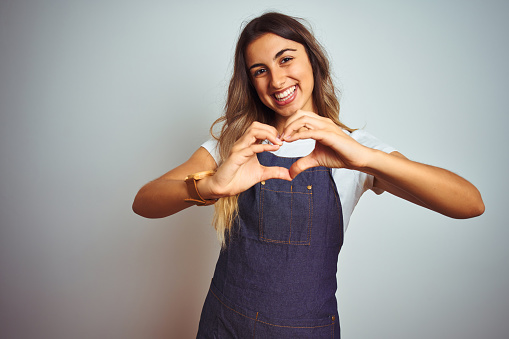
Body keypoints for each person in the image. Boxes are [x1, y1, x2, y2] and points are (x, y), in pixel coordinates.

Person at [132, 12, 484, 338]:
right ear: (251, 82)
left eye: (286, 59)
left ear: (313, 60)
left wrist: (365, 159)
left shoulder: (353, 151)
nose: (277, 79)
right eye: (260, 70)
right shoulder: (235, 146)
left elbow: (470, 203)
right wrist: (210, 186)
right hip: (224, 326)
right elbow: (144, 201)